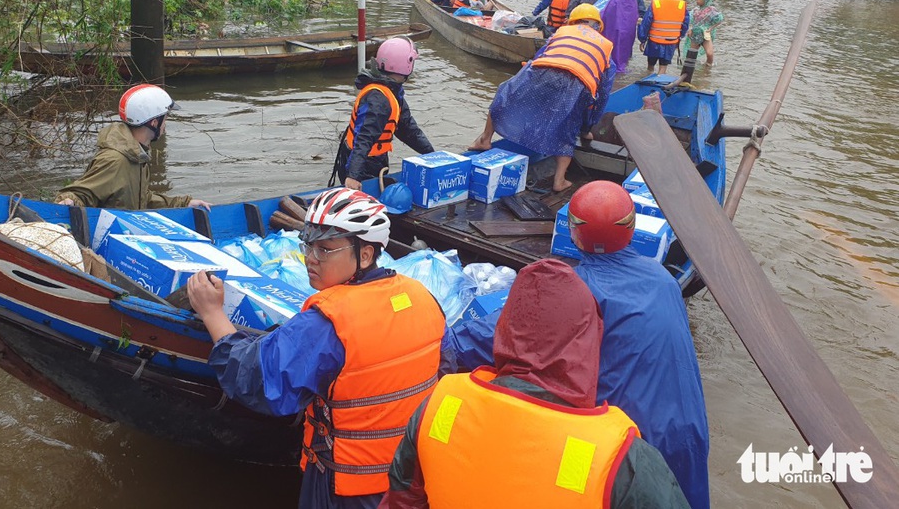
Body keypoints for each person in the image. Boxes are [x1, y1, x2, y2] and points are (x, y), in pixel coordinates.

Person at [188, 188, 448, 509]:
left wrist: (212, 312)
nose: (310, 258)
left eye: (325, 249)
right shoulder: (422, 297)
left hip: (345, 489)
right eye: (308, 246)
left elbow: (255, 378)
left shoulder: (328, 323)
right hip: (409, 483)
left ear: (365, 254)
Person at [379, 259, 691, 509]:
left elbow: (402, 497)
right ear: (586, 338)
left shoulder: (442, 403)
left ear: (504, 328)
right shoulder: (619, 455)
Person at [569, 181, 711, 509]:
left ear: (575, 233)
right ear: (631, 228)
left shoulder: (580, 287)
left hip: (632, 440)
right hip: (687, 430)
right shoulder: (664, 281)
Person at [469, 4, 615, 192]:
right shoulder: (605, 47)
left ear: (573, 22)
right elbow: (601, 95)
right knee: (569, 125)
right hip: (578, 82)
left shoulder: (562, 32)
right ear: (598, 26)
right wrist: (586, 128)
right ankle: (559, 180)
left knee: (505, 92)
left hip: (543, 69)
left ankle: (485, 139)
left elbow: (538, 57)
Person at [55, 84, 211, 210]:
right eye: (165, 118)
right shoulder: (116, 160)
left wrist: (183, 204)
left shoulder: (137, 153)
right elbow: (80, 194)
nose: (165, 124)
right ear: (154, 122)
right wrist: (69, 201)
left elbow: (143, 199)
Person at [331, 37, 433, 190]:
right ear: (407, 64)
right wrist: (353, 176)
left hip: (373, 159)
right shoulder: (378, 99)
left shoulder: (392, 91)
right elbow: (364, 137)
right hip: (361, 162)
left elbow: (407, 129)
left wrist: (432, 155)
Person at [638, 0, 690, 75]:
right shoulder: (682, 5)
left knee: (650, 67)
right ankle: (660, 84)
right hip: (671, 42)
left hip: (654, 41)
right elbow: (685, 25)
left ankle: (648, 82)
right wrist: (678, 38)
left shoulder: (656, 3)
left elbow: (646, 24)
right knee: (663, 67)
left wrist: (642, 40)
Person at [600, 0, 639, 73]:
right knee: (623, 58)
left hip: (614, 33)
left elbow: (604, 15)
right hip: (628, 35)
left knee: (612, 58)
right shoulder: (634, 1)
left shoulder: (615, 0)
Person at [682, 0, 724, 67]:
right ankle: (689, 70)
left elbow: (720, 19)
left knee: (710, 54)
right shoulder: (695, 10)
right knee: (691, 56)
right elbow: (689, 20)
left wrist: (711, 28)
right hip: (695, 35)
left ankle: (707, 69)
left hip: (705, 36)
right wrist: (690, 29)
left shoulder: (711, 10)